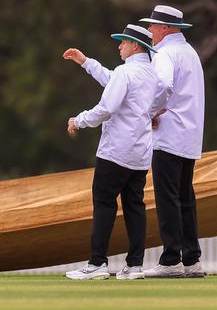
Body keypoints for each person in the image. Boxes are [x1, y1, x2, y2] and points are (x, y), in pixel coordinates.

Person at [63, 24, 159, 280]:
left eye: (123, 42)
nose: (119, 46)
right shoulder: (151, 74)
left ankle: (97, 264)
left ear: (135, 45)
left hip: (116, 151)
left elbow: (108, 106)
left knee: (104, 205)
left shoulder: (125, 72)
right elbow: (114, 83)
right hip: (140, 153)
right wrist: (86, 62)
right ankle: (135, 265)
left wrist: (79, 120)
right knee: (134, 207)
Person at [138, 5, 206, 278]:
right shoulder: (190, 52)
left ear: (165, 28)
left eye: (153, 26)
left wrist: (149, 111)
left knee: (168, 198)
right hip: (189, 135)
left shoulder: (166, 53)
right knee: (185, 198)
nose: (151, 31)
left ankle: (170, 259)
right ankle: (191, 259)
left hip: (168, 134)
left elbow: (163, 85)